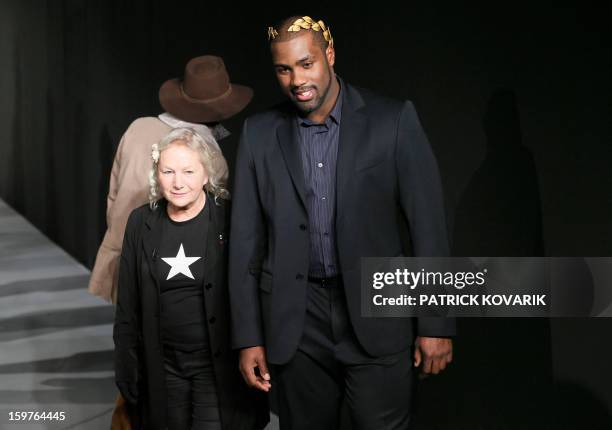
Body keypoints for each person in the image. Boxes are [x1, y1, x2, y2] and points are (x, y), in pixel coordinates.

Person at [229, 15, 454, 429]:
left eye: (306, 63)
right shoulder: (259, 134)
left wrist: (436, 322)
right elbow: (245, 242)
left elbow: (429, 228)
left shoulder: (394, 120)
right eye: (284, 69)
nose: (297, 80)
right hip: (296, 323)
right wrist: (248, 337)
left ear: (329, 56)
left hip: (378, 314)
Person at [114, 127, 268, 430]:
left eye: (188, 171)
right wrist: (126, 363)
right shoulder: (140, 222)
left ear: (206, 174)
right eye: (168, 171)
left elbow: (253, 290)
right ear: (157, 174)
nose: (178, 182)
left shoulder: (230, 219)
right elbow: (128, 303)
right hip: (163, 365)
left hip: (216, 365)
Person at [89, 55, 253, 304]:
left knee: (129, 332)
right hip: (174, 269)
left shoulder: (138, 127)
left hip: (123, 251)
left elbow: (113, 195)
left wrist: (118, 237)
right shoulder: (210, 156)